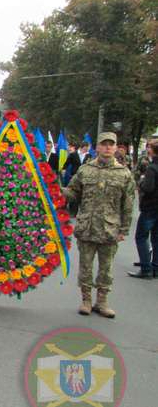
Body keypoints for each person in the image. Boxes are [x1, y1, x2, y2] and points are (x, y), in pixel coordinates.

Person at [63, 132, 135, 318]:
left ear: (116, 147)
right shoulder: (85, 170)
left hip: (109, 229)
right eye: (104, 144)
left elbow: (128, 204)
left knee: (106, 268)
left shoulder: (124, 174)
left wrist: (124, 229)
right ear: (97, 147)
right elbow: (73, 193)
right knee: (85, 267)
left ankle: (102, 301)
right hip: (87, 227)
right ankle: (86, 300)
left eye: (111, 144)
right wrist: (56, 190)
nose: (108, 147)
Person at [129, 139, 158, 279]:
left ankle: (146, 268)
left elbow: (148, 187)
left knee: (141, 236)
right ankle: (156, 268)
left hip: (150, 206)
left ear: (151, 150)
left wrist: (141, 182)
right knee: (156, 238)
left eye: (149, 147)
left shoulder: (152, 167)